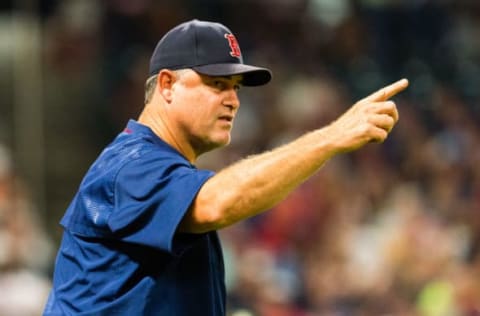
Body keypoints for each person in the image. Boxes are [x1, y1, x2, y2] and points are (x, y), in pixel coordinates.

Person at [43, 19, 408, 315]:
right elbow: (220, 202)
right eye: (217, 84)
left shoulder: (159, 167)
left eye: (235, 87)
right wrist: (331, 137)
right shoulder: (131, 165)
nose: (233, 100)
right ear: (167, 85)